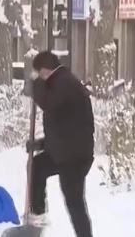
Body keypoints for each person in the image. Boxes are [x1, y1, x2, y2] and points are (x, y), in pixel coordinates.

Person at [26, 51, 95, 237]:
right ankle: (38, 214)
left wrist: (37, 86)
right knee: (36, 167)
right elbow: (61, 126)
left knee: (74, 202)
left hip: (74, 157)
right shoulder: (61, 82)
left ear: (45, 70)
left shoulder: (65, 84)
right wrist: (41, 145)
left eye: (38, 73)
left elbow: (50, 106)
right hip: (64, 152)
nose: (38, 77)